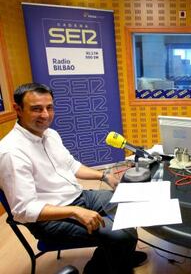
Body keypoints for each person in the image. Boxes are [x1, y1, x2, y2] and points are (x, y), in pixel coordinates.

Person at [0, 83, 146, 274]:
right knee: (122, 235)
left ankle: (118, 255)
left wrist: (104, 176)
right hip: (50, 219)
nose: (45, 115)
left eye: (49, 107)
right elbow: (23, 210)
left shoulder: (50, 135)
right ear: (18, 109)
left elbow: (71, 165)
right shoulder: (11, 152)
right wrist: (75, 212)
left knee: (128, 203)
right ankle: (102, 266)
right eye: (36, 109)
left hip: (78, 197)